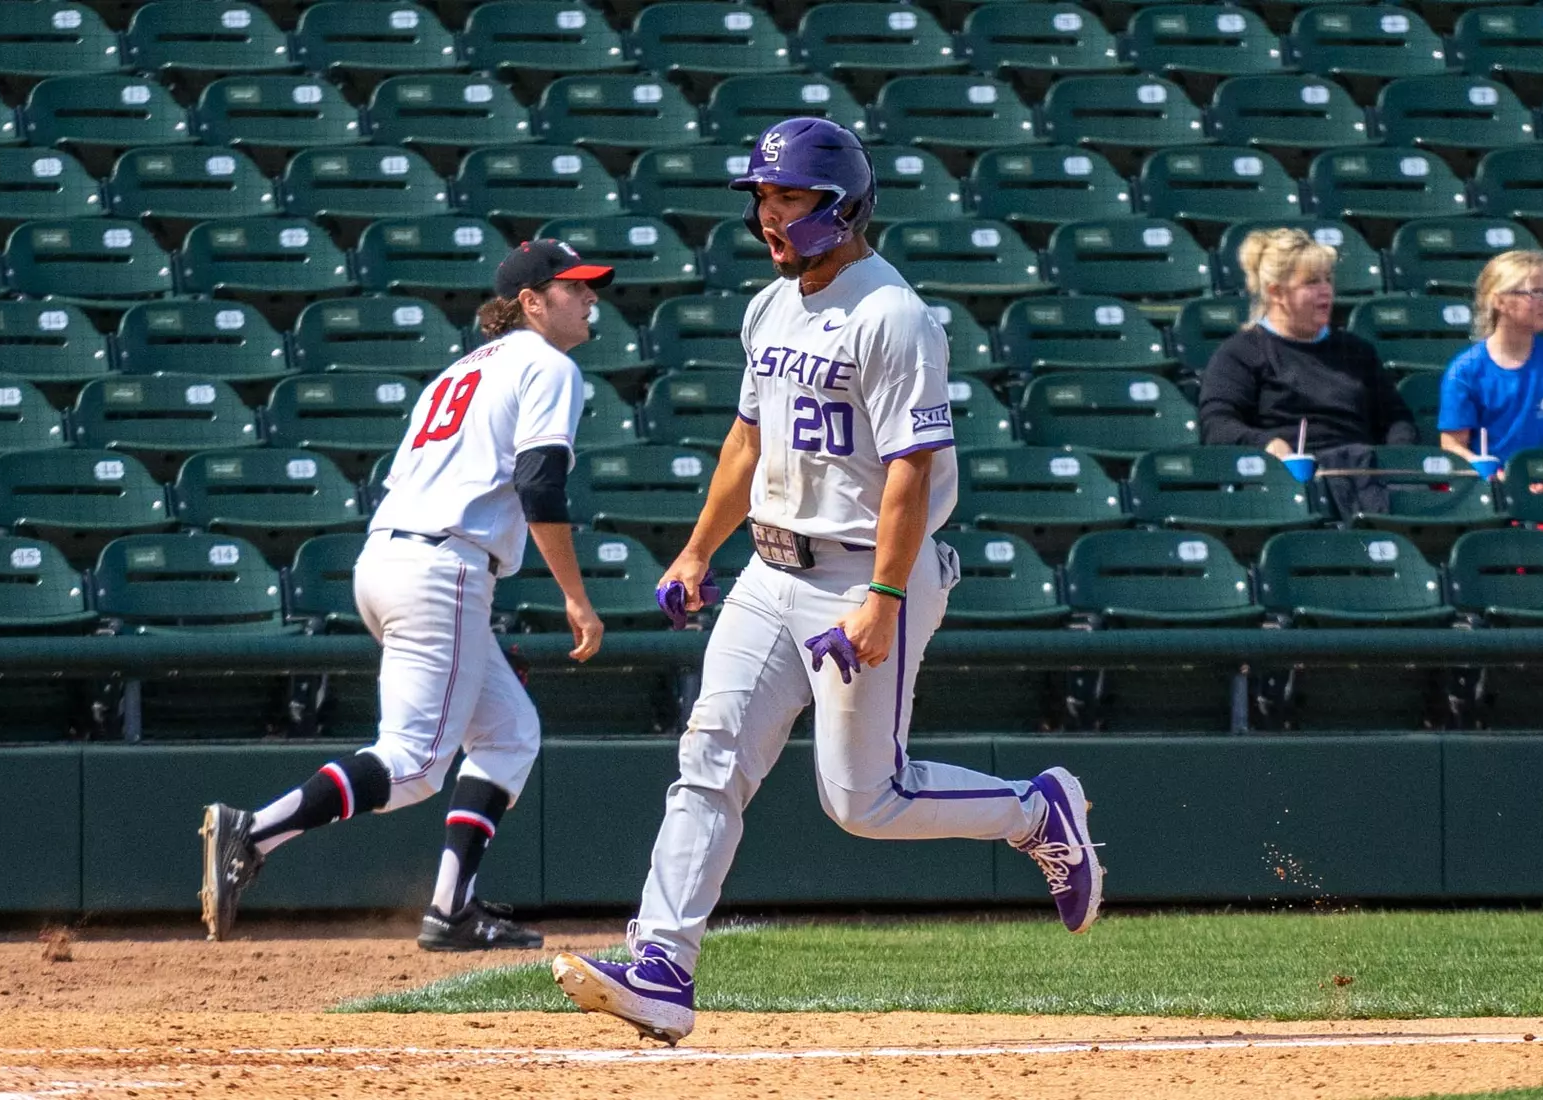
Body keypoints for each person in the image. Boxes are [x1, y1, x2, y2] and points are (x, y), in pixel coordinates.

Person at [549, 118, 1103, 1046]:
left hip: (864, 574)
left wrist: (884, 599)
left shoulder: (891, 314)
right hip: (769, 570)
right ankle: (662, 967)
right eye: (763, 197)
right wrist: (695, 551)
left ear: (841, 205)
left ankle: (1035, 810)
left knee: (864, 802)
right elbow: (746, 443)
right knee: (709, 757)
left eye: (789, 197)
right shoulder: (770, 306)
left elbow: (911, 471)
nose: (769, 214)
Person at [199, 240, 610, 951]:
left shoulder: (460, 371)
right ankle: (254, 831)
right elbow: (540, 483)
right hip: (442, 567)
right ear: (532, 302)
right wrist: (577, 597)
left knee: (510, 734)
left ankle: (451, 907)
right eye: (574, 287)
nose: (591, 296)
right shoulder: (549, 364)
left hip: (392, 556)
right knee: (415, 764)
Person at [1198, 227, 1417, 515]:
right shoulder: (1241, 352)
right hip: (1287, 485)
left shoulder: (1356, 351)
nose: (1326, 290)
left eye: (1328, 279)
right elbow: (1217, 424)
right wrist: (1268, 444)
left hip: (1362, 477)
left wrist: (1395, 458)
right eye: (1311, 282)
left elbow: (1396, 419)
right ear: (1277, 292)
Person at [1438, 250, 1543, 467]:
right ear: (1500, 301)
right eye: (1535, 293)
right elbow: (1453, 445)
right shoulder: (1466, 370)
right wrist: (1489, 472)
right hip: (1491, 490)